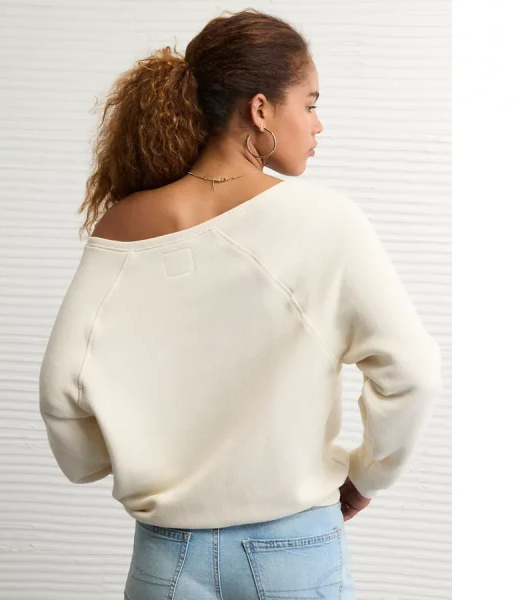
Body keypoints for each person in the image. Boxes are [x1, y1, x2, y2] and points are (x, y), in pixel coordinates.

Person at [38, 8, 442, 600]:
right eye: (309, 104)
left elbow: (60, 389)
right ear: (260, 109)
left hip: (164, 557)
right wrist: (366, 477)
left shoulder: (121, 226)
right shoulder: (324, 221)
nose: (318, 124)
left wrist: (104, 460)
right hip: (293, 552)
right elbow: (414, 373)